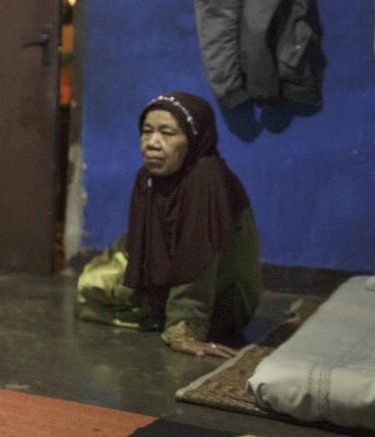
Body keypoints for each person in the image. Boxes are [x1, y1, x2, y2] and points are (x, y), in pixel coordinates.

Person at [76, 91, 261, 357]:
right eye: (147, 131)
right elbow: (140, 241)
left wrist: (185, 331)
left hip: (219, 299)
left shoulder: (207, 179)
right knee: (92, 287)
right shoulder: (149, 178)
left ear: (193, 138)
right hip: (173, 282)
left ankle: (176, 319)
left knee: (100, 294)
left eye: (167, 133)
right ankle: (160, 308)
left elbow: (198, 257)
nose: (152, 143)